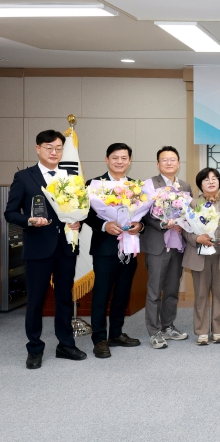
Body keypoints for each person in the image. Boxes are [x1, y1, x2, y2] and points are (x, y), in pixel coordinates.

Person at [4, 130, 87, 369]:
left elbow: (80, 208)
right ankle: (34, 348)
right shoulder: (24, 177)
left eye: (58, 148)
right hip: (38, 247)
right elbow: (10, 213)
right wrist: (29, 221)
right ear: (38, 148)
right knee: (36, 300)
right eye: (49, 147)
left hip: (66, 246)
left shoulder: (71, 176)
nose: (54, 152)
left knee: (64, 297)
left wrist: (78, 222)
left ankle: (66, 344)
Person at [85, 143, 143, 359]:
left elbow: (144, 215)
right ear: (107, 159)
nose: (120, 161)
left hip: (129, 247)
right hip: (104, 248)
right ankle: (99, 338)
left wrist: (140, 226)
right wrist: (104, 225)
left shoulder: (136, 187)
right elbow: (86, 214)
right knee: (101, 294)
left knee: (122, 293)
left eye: (124, 158)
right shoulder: (94, 185)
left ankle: (116, 333)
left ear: (130, 161)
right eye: (115, 158)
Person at [141, 146, 192, 349]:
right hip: (158, 244)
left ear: (178, 164)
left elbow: (189, 213)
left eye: (173, 160)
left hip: (177, 244)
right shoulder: (149, 184)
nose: (169, 163)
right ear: (158, 164)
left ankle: (168, 326)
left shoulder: (185, 185)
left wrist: (183, 224)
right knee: (155, 290)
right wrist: (162, 224)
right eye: (164, 160)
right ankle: (154, 331)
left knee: (172, 289)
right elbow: (143, 214)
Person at [182, 168, 220, 345]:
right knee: (201, 294)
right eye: (206, 179)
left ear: (219, 181)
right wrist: (197, 238)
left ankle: (218, 330)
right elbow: (185, 230)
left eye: (214, 178)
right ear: (200, 184)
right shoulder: (193, 203)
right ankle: (202, 331)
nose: (211, 182)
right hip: (200, 255)